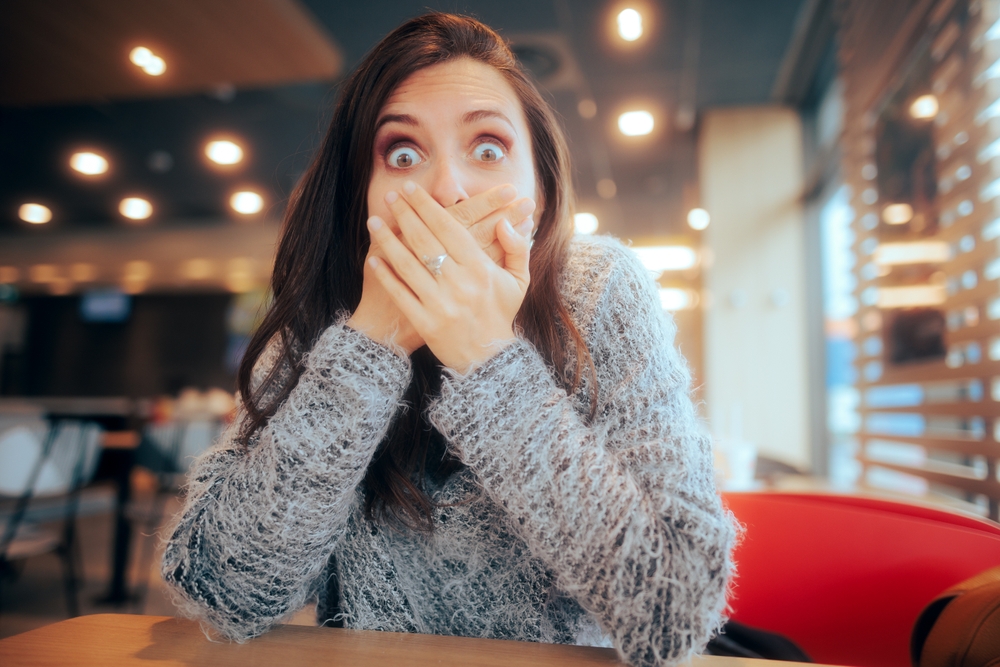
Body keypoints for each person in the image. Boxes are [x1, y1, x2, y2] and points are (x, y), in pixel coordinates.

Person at [162, 12, 735, 667]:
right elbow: (224, 593)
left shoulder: (598, 289)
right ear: (361, 195)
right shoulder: (324, 310)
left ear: (540, 189)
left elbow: (674, 614)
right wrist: (371, 342)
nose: (446, 190)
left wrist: (487, 355)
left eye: (487, 148)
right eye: (403, 154)